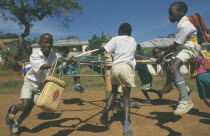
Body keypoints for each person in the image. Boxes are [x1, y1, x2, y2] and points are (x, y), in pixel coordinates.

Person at [156, 2, 198, 115]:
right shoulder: (181, 24)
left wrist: (162, 56)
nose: (169, 16)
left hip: (190, 49)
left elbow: (175, 44)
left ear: (181, 12)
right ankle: (177, 86)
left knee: (174, 67)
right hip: (182, 49)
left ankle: (185, 99)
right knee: (170, 68)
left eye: (171, 13)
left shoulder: (185, 25)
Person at [94, 23, 136, 136]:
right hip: (126, 68)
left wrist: (97, 51)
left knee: (113, 92)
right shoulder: (133, 40)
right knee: (126, 99)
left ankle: (105, 114)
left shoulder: (115, 39)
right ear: (130, 32)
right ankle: (126, 126)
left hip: (115, 68)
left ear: (119, 31)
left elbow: (105, 49)